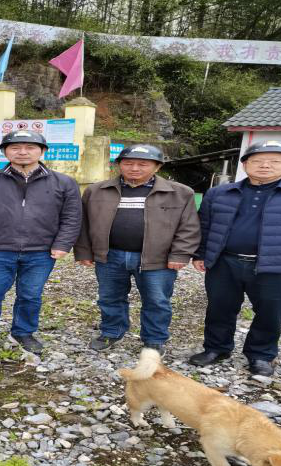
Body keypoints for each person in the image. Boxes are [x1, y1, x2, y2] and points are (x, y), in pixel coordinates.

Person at [189, 140, 281, 376]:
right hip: (224, 262)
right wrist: (200, 254)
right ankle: (216, 348)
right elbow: (205, 226)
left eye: (275, 161)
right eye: (257, 160)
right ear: (245, 164)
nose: (265, 165)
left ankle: (261, 355)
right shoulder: (220, 193)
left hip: (277, 266)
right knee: (219, 308)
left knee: (270, 313)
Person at [74, 144, 200, 354]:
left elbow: (189, 226)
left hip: (158, 258)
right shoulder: (96, 190)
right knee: (109, 297)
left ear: (157, 167)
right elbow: (83, 224)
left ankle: (154, 339)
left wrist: (180, 254)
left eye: (143, 164)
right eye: (128, 163)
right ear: (119, 165)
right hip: (110, 255)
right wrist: (84, 251)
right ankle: (111, 331)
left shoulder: (180, 193)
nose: (134, 168)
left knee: (157, 300)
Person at [0, 130, 82, 354]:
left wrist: (62, 244)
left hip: (41, 252)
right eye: (15, 147)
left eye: (30, 147)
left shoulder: (64, 182)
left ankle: (23, 332)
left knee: (30, 295)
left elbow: (72, 217)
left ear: (42, 151)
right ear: (5, 152)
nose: (22, 152)